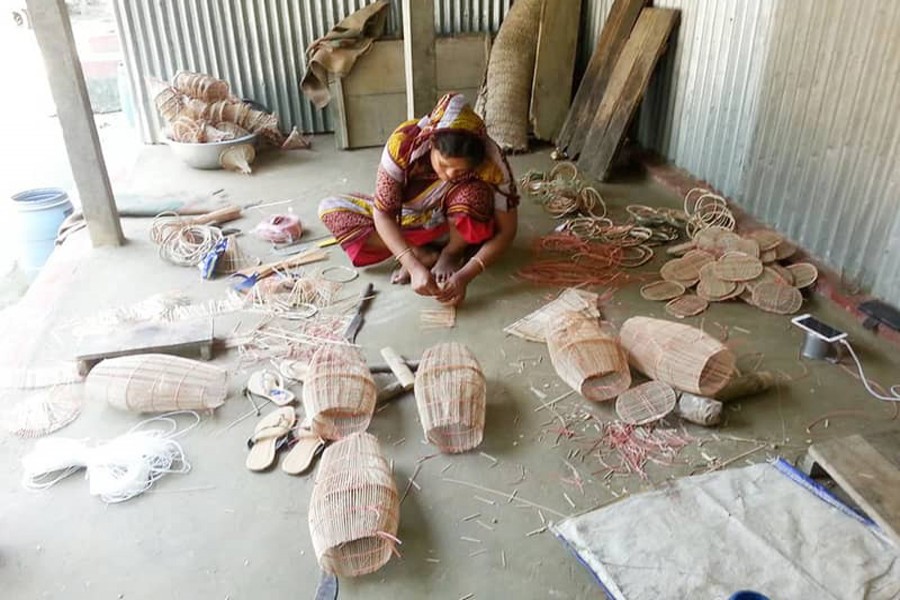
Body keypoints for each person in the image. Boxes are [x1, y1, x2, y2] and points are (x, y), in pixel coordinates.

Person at [318, 93, 519, 306]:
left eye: (460, 170)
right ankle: (420, 254)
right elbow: (384, 213)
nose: (450, 174)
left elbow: (507, 231)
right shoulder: (402, 143)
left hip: (453, 223)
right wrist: (412, 265)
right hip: (407, 219)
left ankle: (452, 252)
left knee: (474, 195)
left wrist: (466, 275)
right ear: (431, 142)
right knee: (331, 210)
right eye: (443, 164)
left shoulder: (492, 161)